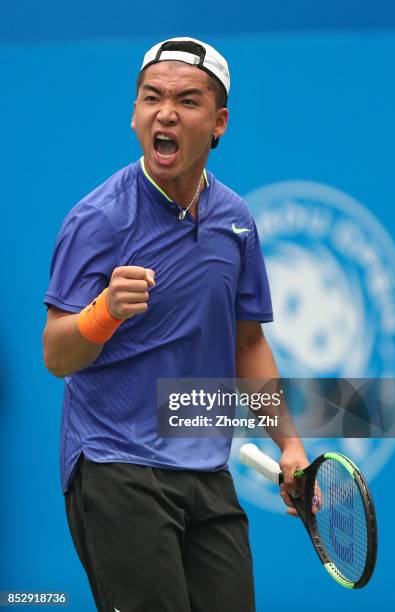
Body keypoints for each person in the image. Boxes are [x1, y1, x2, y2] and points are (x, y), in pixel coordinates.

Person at [42, 37, 309, 612]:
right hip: (116, 468)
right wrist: (103, 311)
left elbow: (248, 343)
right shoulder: (98, 220)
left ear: (219, 123)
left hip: (206, 472)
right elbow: (57, 355)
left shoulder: (235, 221)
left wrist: (288, 443)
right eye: (151, 98)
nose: (165, 112)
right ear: (135, 115)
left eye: (187, 101)